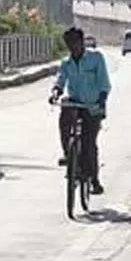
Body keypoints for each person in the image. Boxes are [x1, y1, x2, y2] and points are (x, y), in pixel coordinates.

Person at [50, 26, 111, 195]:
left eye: (75, 42)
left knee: (89, 143)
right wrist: (56, 92)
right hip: (75, 103)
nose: (73, 47)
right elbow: (60, 80)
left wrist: (101, 99)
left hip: (93, 105)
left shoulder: (96, 58)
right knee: (64, 116)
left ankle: (94, 179)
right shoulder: (66, 63)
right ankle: (68, 155)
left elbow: (104, 83)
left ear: (82, 42)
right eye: (69, 44)